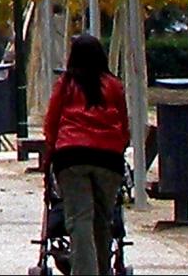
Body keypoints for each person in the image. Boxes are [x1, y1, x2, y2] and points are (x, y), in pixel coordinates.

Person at [43, 34, 130, 276]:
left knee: (79, 220)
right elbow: (123, 123)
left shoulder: (66, 83)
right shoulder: (113, 85)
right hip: (108, 159)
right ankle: (103, 270)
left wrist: (51, 148)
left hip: (71, 157)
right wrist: (119, 146)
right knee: (103, 221)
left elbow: (52, 119)